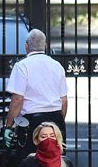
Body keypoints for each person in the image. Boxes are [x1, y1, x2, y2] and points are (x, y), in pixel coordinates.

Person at [4, 29, 69, 159]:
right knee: (55, 160)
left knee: (30, 161)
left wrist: (9, 126)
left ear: (26, 46)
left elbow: (17, 99)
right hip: (55, 119)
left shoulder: (22, 66)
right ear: (45, 46)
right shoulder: (57, 66)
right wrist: (60, 120)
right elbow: (64, 100)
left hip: (31, 121)